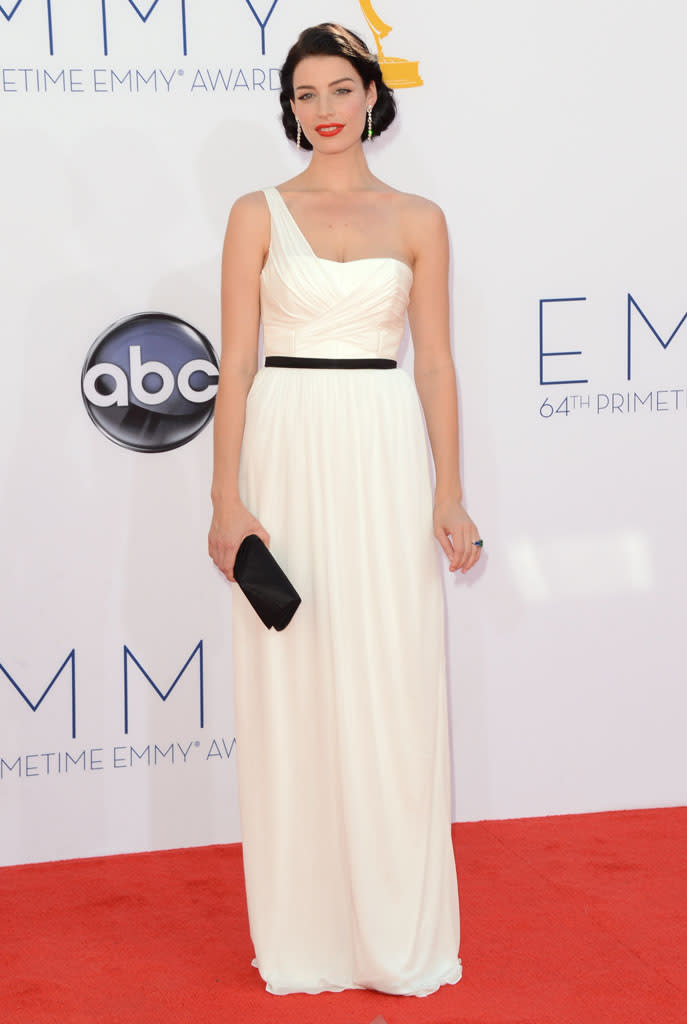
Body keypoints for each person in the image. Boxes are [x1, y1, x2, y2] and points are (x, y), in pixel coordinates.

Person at [208, 22, 482, 998]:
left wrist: (449, 492)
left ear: (373, 94)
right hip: (284, 442)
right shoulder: (255, 213)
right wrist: (224, 499)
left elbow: (438, 364)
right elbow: (235, 363)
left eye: (339, 89)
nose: (322, 109)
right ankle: (308, 935)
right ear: (289, 109)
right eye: (304, 94)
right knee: (291, 672)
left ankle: (393, 930)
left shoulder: (420, 218)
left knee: (392, 676)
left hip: (381, 443)